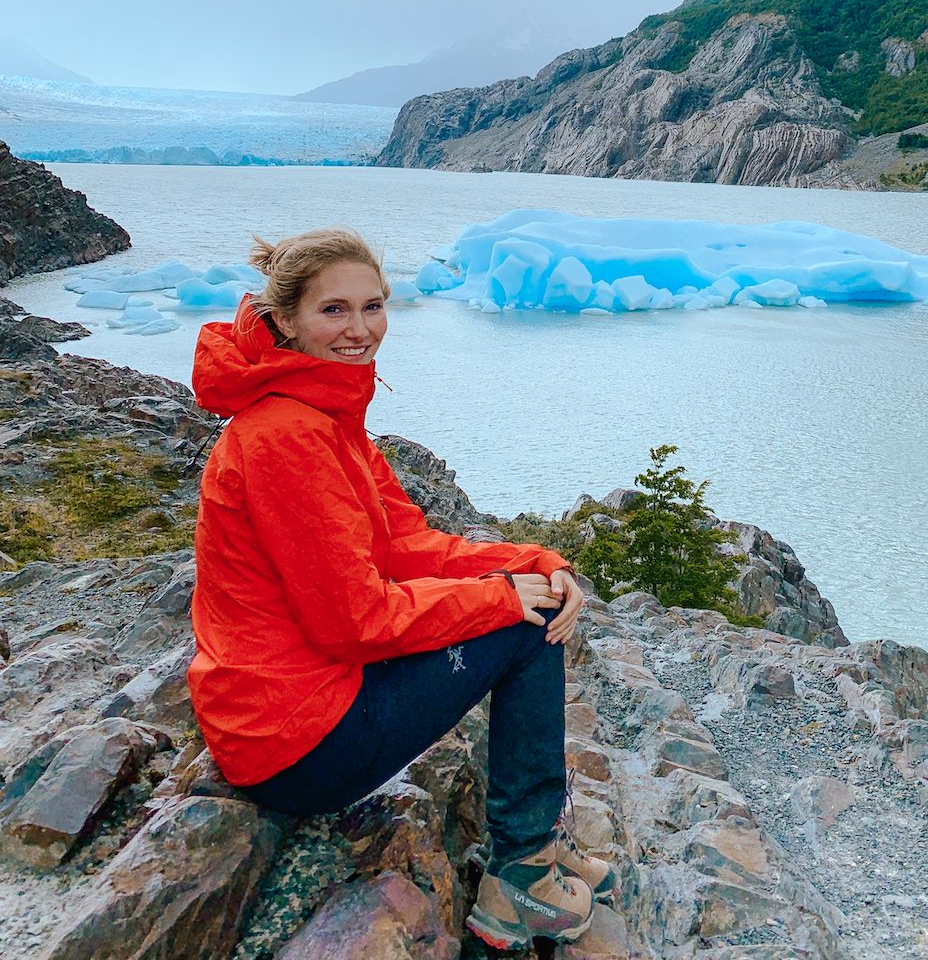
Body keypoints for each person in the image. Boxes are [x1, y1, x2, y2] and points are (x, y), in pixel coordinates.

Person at [188, 227, 611, 949]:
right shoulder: (286, 437)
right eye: (334, 311)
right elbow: (352, 623)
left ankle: (534, 841)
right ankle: (521, 876)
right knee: (521, 626)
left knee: (523, 599)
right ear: (285, 320)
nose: (360, 330)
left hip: (296, 704)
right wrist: (507, 599)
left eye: (373, 306)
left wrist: (535, 560)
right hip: (296, 743)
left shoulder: (326, 414)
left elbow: (409, 546)